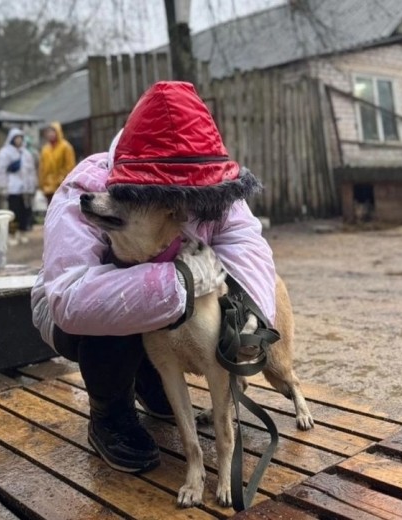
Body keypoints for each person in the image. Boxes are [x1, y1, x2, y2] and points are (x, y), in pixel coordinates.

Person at [31, 81, 276, 474]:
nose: (181, 205)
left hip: (177, 289)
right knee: (116, 295)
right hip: (68, 315)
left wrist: (251, 315)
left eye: (190, 195)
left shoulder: (216, 186)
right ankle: (110, 414)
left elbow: (245, 243)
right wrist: (181, 282)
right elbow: (71, 298)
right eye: (168, 195)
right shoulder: (89, 187)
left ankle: (150, 380)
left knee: (191, 314)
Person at [0, 128, 37, 245]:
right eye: (16, 138)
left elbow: (31, 171)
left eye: (20, 138)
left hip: (25, 189)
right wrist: (2, 186)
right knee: (13, 213)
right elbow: (1, 171)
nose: (18, 140)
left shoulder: (26, 153)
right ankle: (12, 234)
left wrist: (33, 185)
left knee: (25, 212)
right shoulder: (5, 153)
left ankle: (23, 232)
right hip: (12, 188)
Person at [39, 122, 76, 205]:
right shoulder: (45, 150)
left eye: (53, 132)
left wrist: (62, 180)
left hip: (61, 185)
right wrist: (42, 184)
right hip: (48, 187)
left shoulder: (66, 147)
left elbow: (70, 166)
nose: (50, 134)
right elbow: (42, 169)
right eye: (48, 132)